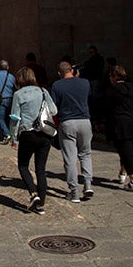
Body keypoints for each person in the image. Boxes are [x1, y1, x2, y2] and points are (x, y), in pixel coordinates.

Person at [9, 66, 57, 214]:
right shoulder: (43, 91)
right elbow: (54, 110)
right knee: (40, 169)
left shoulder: (18, 94)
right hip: (44, 134)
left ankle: (33, 193)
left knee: (23, 166)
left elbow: (15, 118)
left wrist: (13, 137)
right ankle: (41, 203)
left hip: (28, 133)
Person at [50, 61, 93, 202]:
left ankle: (74, 191)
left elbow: (53, 108)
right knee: (86, 154)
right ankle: (87, 185)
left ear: (59, 73)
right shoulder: (85, 83)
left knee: (70, 158)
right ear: (72, 70)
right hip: (85, 121)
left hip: (67, 122)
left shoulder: (57, 85)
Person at [104, 65, 133, 191]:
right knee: (129, 151)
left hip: (121, 125)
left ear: (114, 77)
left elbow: (107, 109)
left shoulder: (111, 91)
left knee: (127, 152)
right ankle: (122, 173)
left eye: (110, 76)